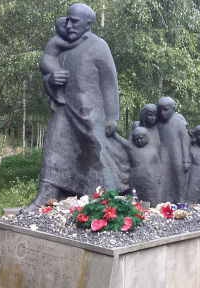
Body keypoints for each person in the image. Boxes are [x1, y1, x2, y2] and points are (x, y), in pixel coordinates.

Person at [20, 3, 129, 213]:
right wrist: (50, 79)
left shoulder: (99, 46)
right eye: (67, 20)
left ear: (88, 24)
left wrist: (112, 117)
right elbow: (48, 77)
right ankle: (45, 196)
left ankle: (103, 198)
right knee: (53, 149)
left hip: (90, 113)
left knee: (95, 153)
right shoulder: (61, 47)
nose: (68, 25)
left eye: (75, 21)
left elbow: (109, 83)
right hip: (62, 109)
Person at [39, 17, 85, 109]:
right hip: (47, 62)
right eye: (64, 27)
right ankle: (57, 96)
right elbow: (70, 45)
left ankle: (55, 98)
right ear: (57, 29)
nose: (68, 29)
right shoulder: (56, 40)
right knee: (60, 76)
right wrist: (82, 39)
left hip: (50, 61)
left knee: (61, 77)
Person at [113, 127, 161, 207]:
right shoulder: (132, 147)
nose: (139, 140)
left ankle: (153, 209)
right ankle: (135, 211)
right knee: (135, 197)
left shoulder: (153, 150)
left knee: (151, 197)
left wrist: (158, 176)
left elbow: (157, 164)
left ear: (146, 137)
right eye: (136, 139)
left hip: (150, 180)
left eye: (141, 138)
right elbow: (122, 141)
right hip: (135, 179)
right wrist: (114, 133)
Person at [157, 97, 190, 203]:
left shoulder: (179, 124)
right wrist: (138, 123)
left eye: (166, 109)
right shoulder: (158, 124)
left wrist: (186, 160)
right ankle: (163, 202)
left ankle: (180, 201)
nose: (162, 113)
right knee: (163, 178)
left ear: (173, 108)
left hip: (177, 154)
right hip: (163, 154)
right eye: (160, 110)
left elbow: (185, 142)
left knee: (179, 178)